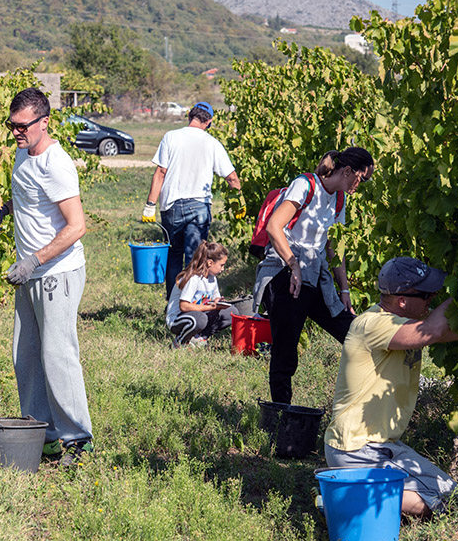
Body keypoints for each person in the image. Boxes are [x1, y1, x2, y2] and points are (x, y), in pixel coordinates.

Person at [0, 87, 92, 467]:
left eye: (23, 126)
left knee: (58, 355)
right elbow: (27, 195)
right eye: (12, 125)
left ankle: (78, 439)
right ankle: (42, 434)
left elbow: (77, 226)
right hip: (29, 274)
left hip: (56, 272)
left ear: (45, 123)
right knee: (25, 356)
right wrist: (2, 212)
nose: (16, 132)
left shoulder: (56, 164)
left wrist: (33, 261)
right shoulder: (23, 153)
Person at [323, 256, 458, 517]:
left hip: (382, 446)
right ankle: (343, 496)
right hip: (355, 449)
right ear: (402, 301)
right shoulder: (372, 324)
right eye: (426, 295)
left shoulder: (405, 321)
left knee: (451, 495)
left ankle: (349, 493)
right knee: (436, 505)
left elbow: (449, 329)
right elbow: (432, 331)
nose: (432, 298)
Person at [252, 147, 375, 404]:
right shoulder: (305, 184)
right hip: (284, 272)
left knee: (351, 332)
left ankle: (364, 400)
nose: (360, 185)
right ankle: (281, 415)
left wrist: (343, 290)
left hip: (315, 275)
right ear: (348, 171)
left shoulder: (339, 199)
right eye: (361, 179)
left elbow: (333, 247)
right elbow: (275, 226)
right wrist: (293, 265)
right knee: (285, 351)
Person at [141, 102, 242, 299]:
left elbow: (161, 172)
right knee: (195, 258)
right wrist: (239, 202)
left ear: (190, 116)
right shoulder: (212, 143)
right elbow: (232, 177)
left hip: (172, 206)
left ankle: (173, 303)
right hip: (199, 207)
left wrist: (150, 205)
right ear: (209, 122)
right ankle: (191, 303)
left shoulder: (171, 137)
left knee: (173, 256)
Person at [165, 241, 238, 349]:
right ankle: (180, 342)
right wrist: (211, 306)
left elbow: (215, 298)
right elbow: (184, 306)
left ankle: (200, 338)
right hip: (178, 319)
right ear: (210, 263)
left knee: (231, 312)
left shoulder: (212, 278)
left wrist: (219, 301)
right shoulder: (194, 279)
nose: (223, 269)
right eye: (221, 265)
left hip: (198, 315)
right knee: (201, 319)